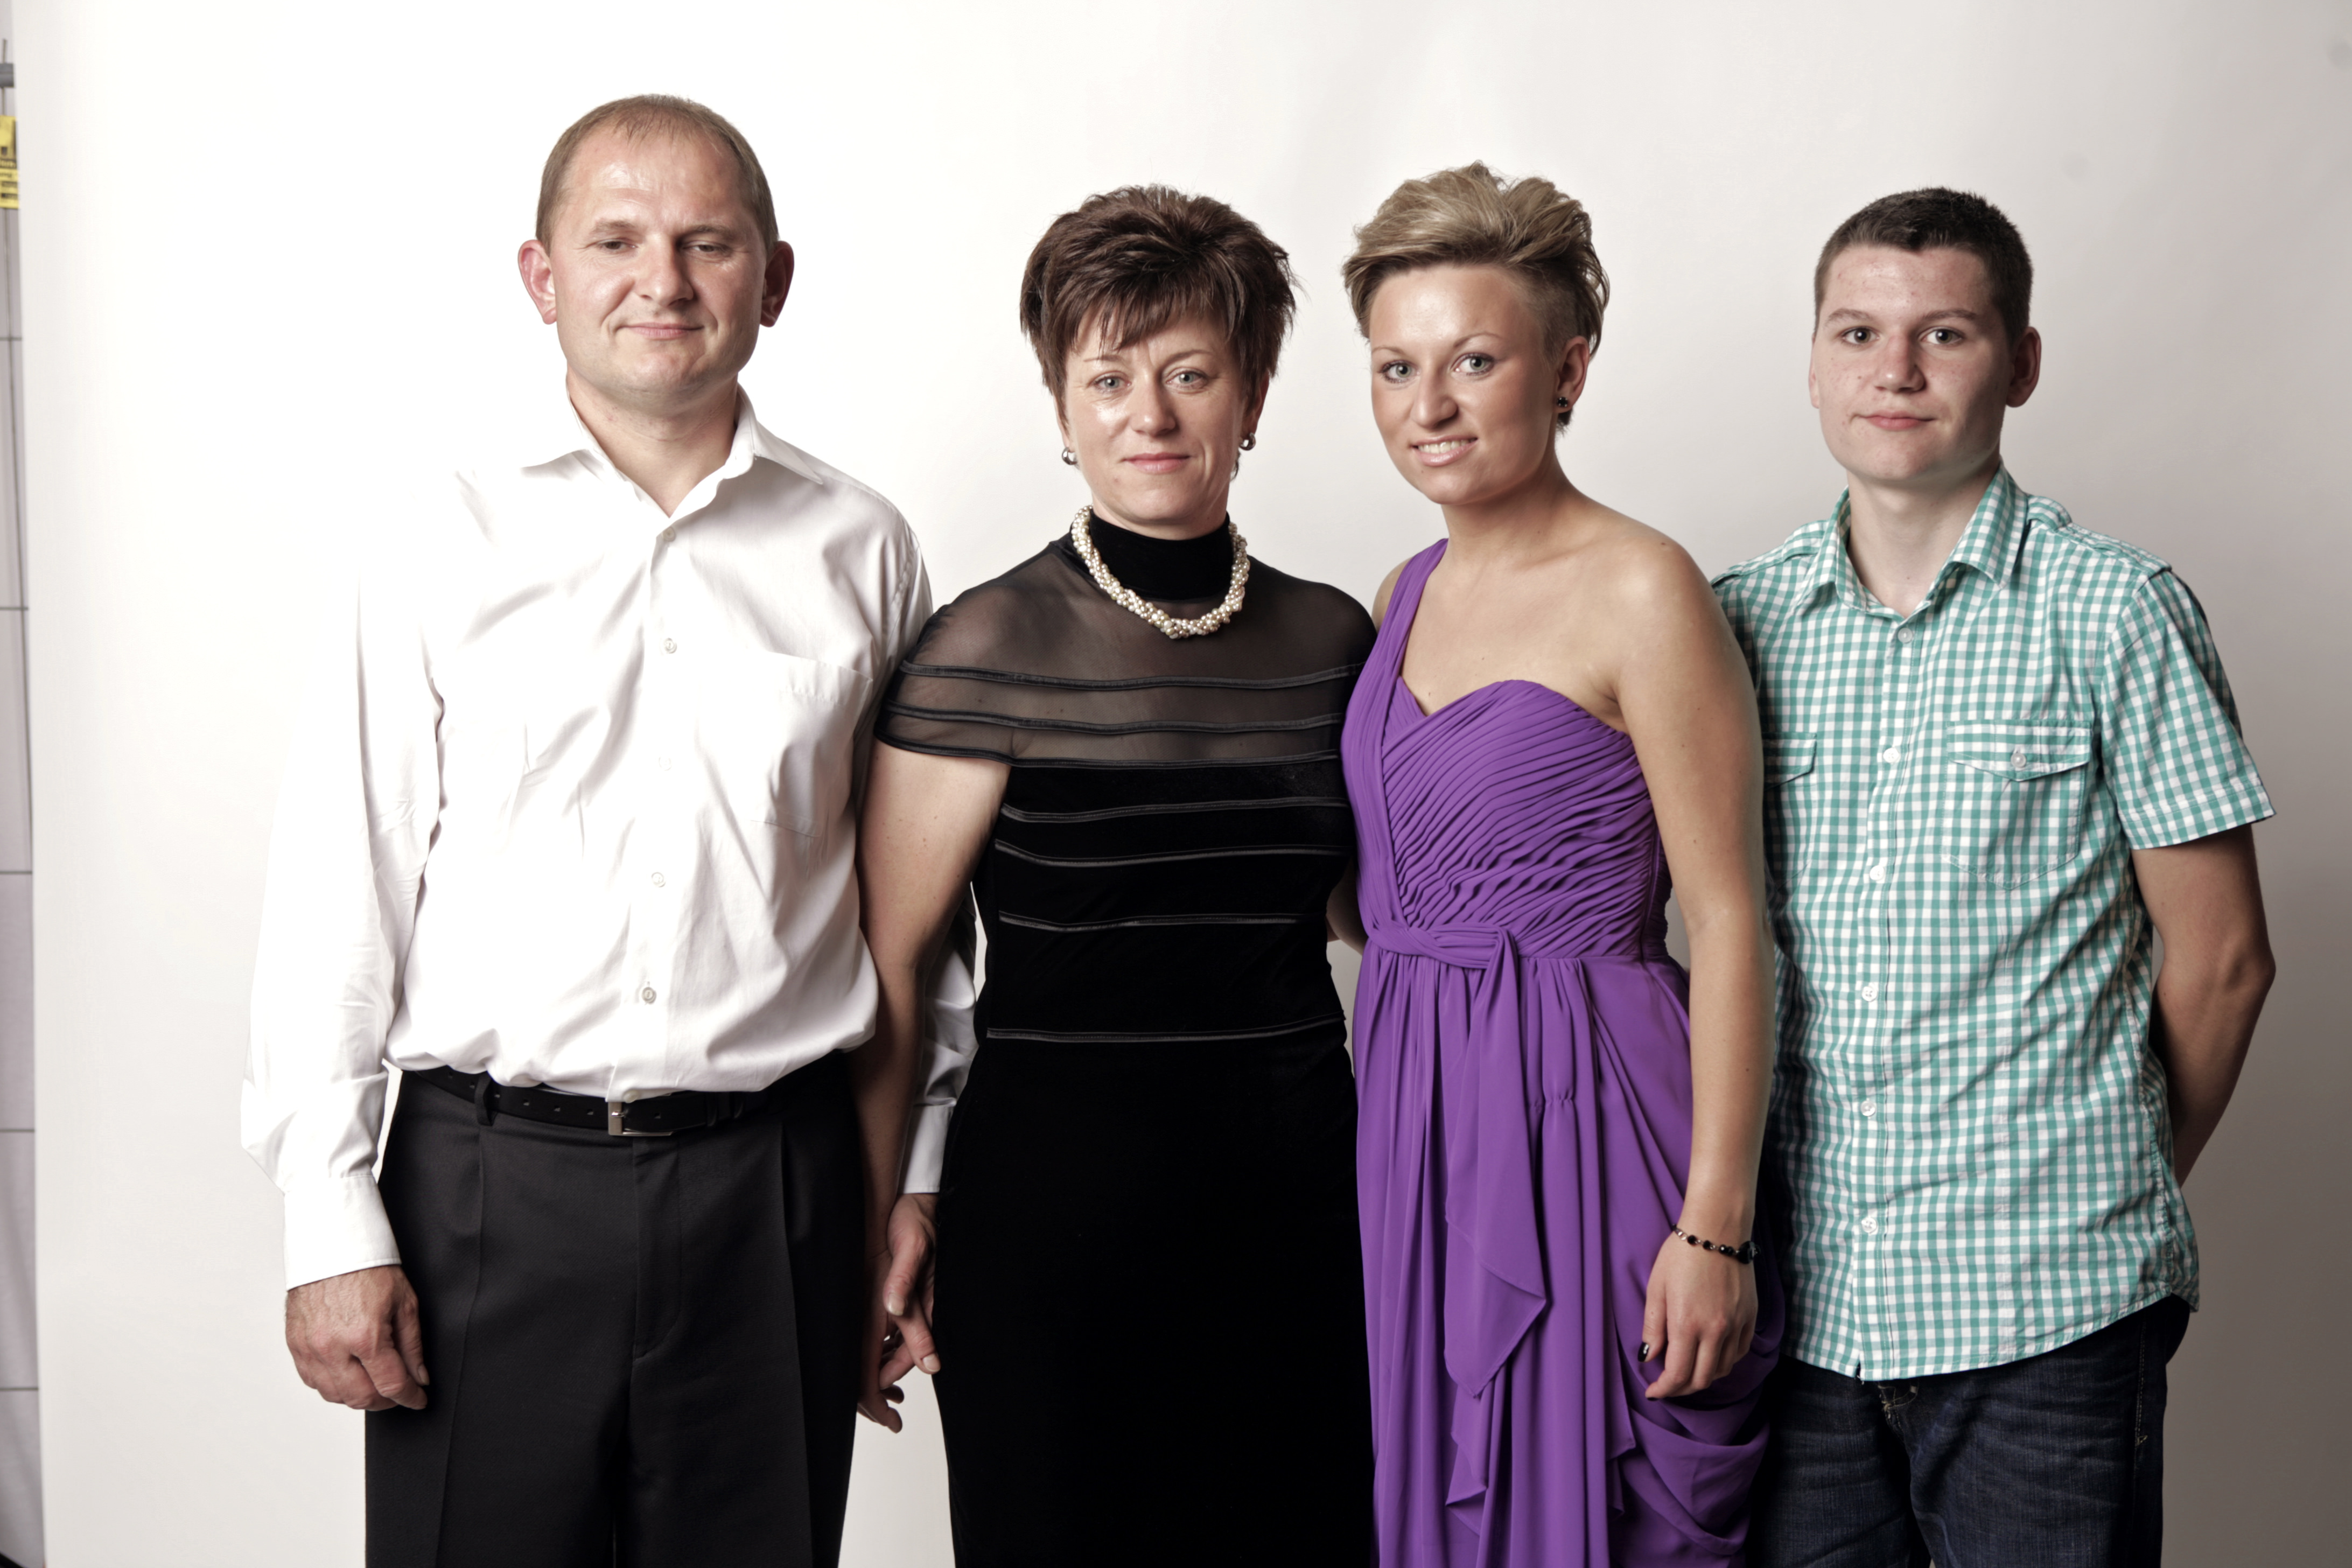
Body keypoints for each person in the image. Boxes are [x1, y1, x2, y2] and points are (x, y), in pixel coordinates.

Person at [241, 95, 968, 1567]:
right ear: (542, 277)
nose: (664, 282)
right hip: (486, 1195)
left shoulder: (865, 547)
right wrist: (329, 1221)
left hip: (777, 1194)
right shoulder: (437, 534)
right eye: (617, 241)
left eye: (710, 243)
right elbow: (341, 882)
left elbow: (916, 912)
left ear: (774, 279)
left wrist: (918, 1173)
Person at [1716, 188, 2276, 1567]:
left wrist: (2109, 1182)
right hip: (1807, 1310)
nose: (1895, 370)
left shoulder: (2116, 609)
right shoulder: (1738, 619)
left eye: (1946, 334)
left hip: (2050, 1306)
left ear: (2020, 363)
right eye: (1858, 333)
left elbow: (2223, 959)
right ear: (1812, 364)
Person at [855, 185, 1375, 1565]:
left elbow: (1369, 916)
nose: (1150, 413)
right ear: (1062, 404)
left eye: (1190, 373)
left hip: (1303, 1200)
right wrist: (871, 1221)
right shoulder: (985, 646)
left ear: (1251, 396)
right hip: (1050, 1217)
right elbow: (892, 971)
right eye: (1108, 378)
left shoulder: (1335, 641)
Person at [1338, 163, 1783, 1566]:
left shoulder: (1644, 586)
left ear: (1570, 368)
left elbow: (1730, 920)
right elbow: (1384, 889)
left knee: (1615, 1500)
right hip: (1412, 1111)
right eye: (1397, 367)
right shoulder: (1399, 594)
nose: (1431, 404)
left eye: (1475, 360)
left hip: (1588, 1104)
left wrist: (1716, 1226)